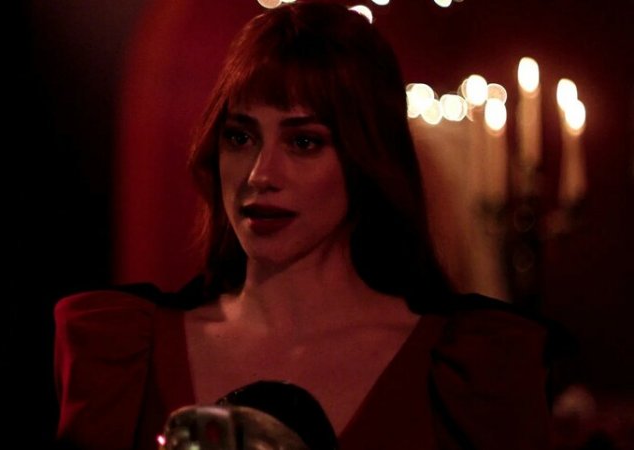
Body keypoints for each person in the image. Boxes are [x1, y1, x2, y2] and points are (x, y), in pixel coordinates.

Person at [54, 2, 551, 449]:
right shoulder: (127, 355)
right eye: (240, 137)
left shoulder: (469, 371)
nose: (260, 174)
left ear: (365, 159)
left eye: (303, 142)